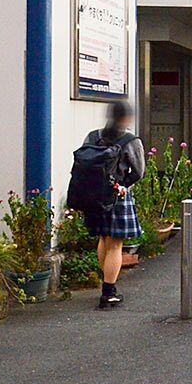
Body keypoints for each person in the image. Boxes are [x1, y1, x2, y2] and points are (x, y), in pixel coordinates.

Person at [83, 101, 145, 310]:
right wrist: (123, 185)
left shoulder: (93, 136)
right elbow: (139, 171)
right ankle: (108, 293)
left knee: (104, 239)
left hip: (94, 196)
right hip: (117, 196)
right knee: (116, 245)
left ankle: (106, 284)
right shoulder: (129, 140)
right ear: (126, 118)